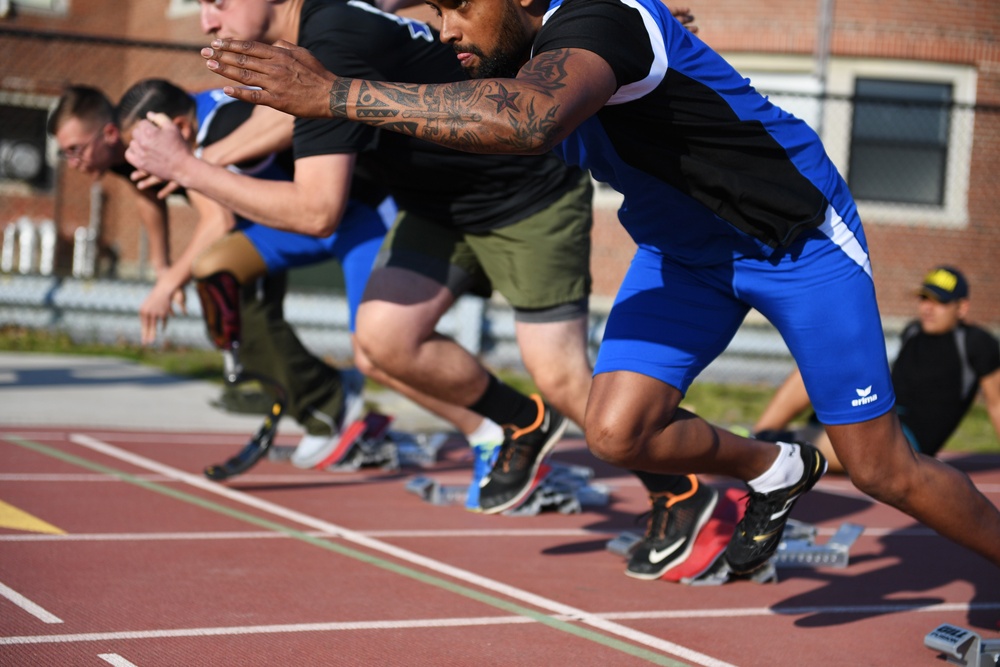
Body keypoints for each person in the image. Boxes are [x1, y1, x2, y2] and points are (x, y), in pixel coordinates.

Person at [195, 0, 1000, 573]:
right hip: (684, 256)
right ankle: (776, 467)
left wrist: (332, 94)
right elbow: (423, 81)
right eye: (433, 12)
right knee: (617, 431)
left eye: (454, 10)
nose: (444, 30)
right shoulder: (499, 43)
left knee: (882, 470)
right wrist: (223, 141)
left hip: (794, 245)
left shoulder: (604, 21)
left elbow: (526, 120)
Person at [125, 0, 714, 578]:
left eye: (217, 3)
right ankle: (520, 423)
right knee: (382, 339)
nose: (208, 21)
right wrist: (203, 157)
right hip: (435, 209)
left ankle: (684, 491)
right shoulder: (321, 32)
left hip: (524, 196)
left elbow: (317, 211)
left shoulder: (334, 39)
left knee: (561, 376)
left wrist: (189, 169)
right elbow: (281, 114)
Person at [115, 78, 391, 471]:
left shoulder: (225, 124)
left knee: (377, 356)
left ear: (178, 126)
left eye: (143, 144)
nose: (138, 157)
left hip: (359, 220)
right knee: (214, 268)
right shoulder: (197, 117)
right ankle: (320, 393)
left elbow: (220, 217)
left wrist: (167, 282)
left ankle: (490, 425)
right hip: (298, 228)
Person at [754, 266, 1000, 473]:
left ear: (962, 307)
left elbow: (996, 403)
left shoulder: (977, 343)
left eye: (940, 302)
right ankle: (761, 435)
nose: (927, 308)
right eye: (925, 298)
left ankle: (767, 447)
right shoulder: (913, 331)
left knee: (798, 446)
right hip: (877, 416)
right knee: (823, 366)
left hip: (905, 444)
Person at [48, 85, 172, 281]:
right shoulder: (116, 158)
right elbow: (148, 195)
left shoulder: (150, 139)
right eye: (66, 153)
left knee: (211, 269)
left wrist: (170, 283)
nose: (72, 164)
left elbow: (217, 217)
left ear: (110, 134)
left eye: (76, 149)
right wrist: (162, 269)